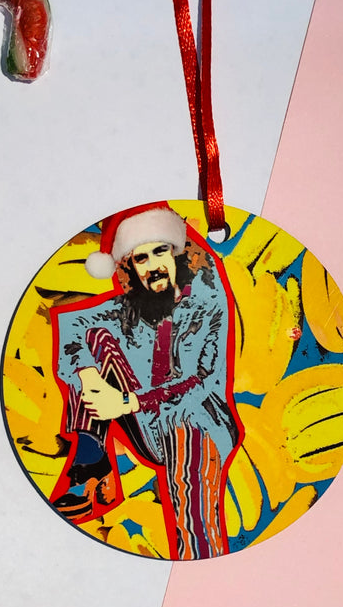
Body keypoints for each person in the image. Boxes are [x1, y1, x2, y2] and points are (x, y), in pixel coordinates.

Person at [50, 203, 241, 560]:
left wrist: (126, 403)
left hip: (197, 425)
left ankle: (201, 563)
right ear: (131, 267)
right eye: (141, 258)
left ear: (176, 254)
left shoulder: (205, 305)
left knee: (188, 449)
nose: (153, 265)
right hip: (146, 424)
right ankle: (92, 462)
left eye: (160, 252)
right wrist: (90, 379)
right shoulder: (130, 307)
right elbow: (74, 326)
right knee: (96, 337)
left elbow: (200, 381)